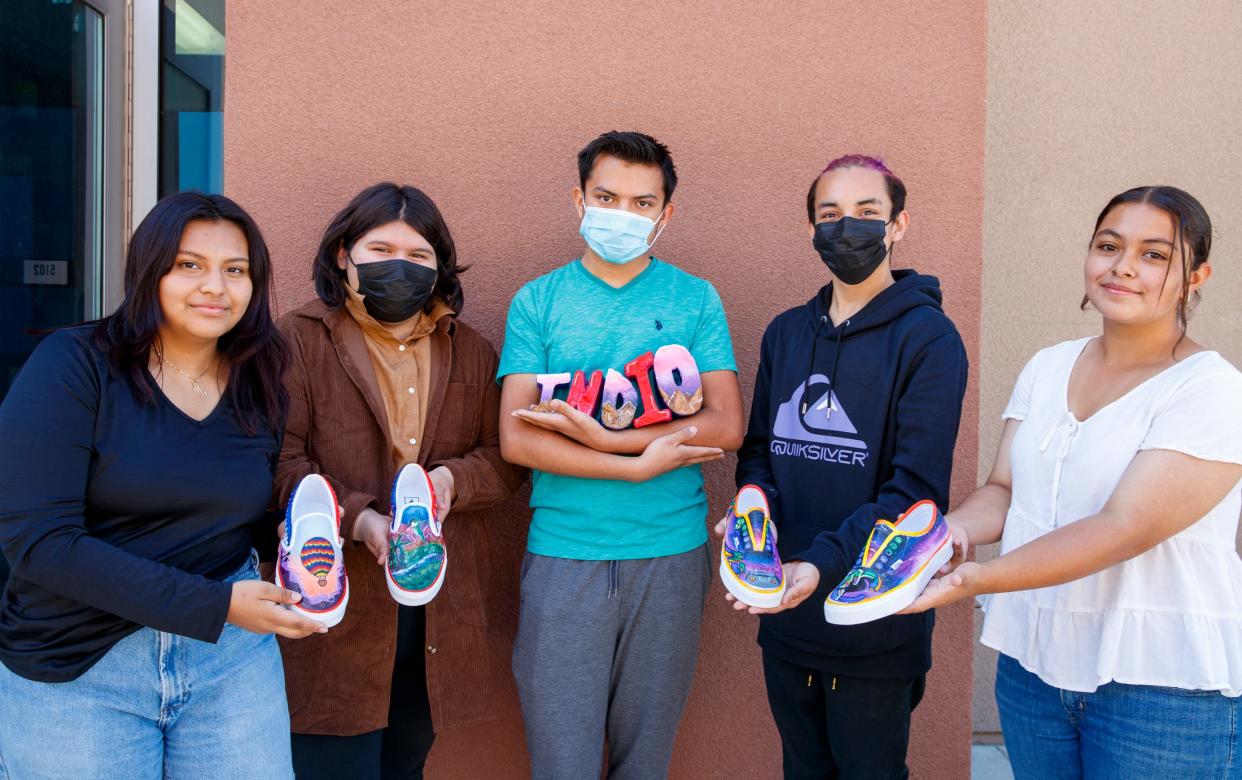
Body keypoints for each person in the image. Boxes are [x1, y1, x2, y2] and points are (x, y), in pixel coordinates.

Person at [906, 186, 1242, 778]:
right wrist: (939, 538)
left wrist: (973, 578)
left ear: (1198, 275)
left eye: (1155, 254)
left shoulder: (1210, 390)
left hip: (1161, 688)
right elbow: (1004, 491)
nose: (1123, 266)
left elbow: (1123, 528)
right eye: (1108, 245)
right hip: (1033, 669)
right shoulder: (1048, 365)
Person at [0, 192, 310, 778]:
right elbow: (39, 542)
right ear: (150, 270)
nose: (215, 286)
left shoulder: (258, 376)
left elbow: (231, 515)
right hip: (81, 664)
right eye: (189, 264)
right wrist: (218, 606)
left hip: (228, 663)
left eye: (235, 270)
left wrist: (319, 548)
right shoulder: (75, 365)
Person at [497, 130, 745, 779]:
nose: (622, 214)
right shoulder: (537, 302)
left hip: (670, 554)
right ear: (578, 200)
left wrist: (609, 439)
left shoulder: (695, 299)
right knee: (562, 763)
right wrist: (632, 465)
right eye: (607, 196)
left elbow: (726, 424)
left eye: (642, 202)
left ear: (666, 215)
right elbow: (517, 438)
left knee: (646, 761)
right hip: (563, 556)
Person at [722, 155, 969, 779]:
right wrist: (751, 504)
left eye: (866, 213)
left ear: (899, 224)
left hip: (873, 622)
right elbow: (759, 452)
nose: (846, 228)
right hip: (782, 611)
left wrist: (823, 564)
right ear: (811, 229)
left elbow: (915, 494)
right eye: (830, 215)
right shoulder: (784, 334)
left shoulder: (930, 340)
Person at [275, 182, 525, 780]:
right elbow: (276, 460)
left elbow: (507, 459)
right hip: (333, 599)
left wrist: (449, 484)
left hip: (436, 599)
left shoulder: (473, 351)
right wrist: (359, 520)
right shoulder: (298, 340)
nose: (399, 267)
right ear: (344, 254)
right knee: (332, 762)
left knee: (407, 760)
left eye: (418, 256)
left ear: (440, 266)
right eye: (380, 249)